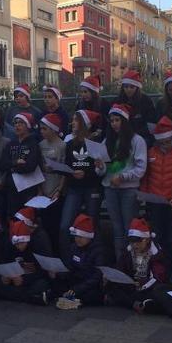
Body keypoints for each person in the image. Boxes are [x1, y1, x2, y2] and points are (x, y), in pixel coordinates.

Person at [101, 103, 148, 262]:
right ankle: (121, 263)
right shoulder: (107, 141)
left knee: (131, 228)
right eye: (112, 120)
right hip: (110, 188)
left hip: (128, 189)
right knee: (117, 229)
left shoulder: (137, 141)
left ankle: (135, 264)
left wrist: (122, 177)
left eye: (117, 120)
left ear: (125, 121)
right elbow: (102, 171)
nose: (114, 123)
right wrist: (99, 167)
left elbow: (141, 169)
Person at [140, 116, 172, 256]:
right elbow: (146, 177)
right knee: (156, 236)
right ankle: (158, 269)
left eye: (168, 142)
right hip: (155, 202)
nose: (166, 145)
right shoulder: (151, 152)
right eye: (162, 142)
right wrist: (145, 195)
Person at [59, 110, 104, 258]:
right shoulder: (70, 143)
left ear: (84, 124)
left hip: (92, 188)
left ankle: (95, 259)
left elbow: (100, 171)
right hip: (74, 188)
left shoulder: (96, 143)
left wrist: (91, 171)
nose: (72, 123)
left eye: (76, 120)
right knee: (65, 225)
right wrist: (71, 172)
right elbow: (66, 166)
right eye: (72, 120)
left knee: (92, 225)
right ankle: (67, 260)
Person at [103, 218, 169, 314]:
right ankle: (135, 304)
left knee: (158, 293)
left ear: (146, 239)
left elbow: (158, 277)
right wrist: (111, 276)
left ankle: (132, 303)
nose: (134, 245)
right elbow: (120, 267)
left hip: (148, 287)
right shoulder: (128, 252)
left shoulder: (156, 254)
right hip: (132, 285)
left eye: (138, 241)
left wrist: (142, 284)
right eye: (132, 241)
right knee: (112, 286)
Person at [0, 220, 52, 305]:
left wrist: (24, 280)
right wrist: (4, 277)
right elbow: (4, 263)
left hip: (29, 279)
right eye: (17, 244)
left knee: (41, 284)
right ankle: (32, 298)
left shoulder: (36, 245)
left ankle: (1, 294)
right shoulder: (9, 246)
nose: (19, 246)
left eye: (22, 243)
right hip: (13, 280)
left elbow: (42, 271)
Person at [53, 214, 106, 310]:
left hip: (89, 284)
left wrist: (77, 289)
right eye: (76, 236)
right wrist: (58, 273)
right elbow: (69, 266)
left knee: (92, 295)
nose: (78, 239)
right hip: (76, 280)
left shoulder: (98, 251)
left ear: (89, 237)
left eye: (81, 237)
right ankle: (70, 297)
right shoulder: (73, 247)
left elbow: (97, 276)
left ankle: (75, 299)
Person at [0, 112, 44, 218]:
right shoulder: (11, 144)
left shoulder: (33, 143)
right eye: (15, 123)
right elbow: (1, 165)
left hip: (28, 189)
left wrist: (11, 167)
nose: (17, 125)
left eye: (21, 123)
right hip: (11, 189)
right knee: (12, 218)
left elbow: (30, 166)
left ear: (27, 126)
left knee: (27, 218)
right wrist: (15, 163)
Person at [38, 113, 66, 252]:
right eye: (41, 129)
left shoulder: (62, 145)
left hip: (56, 187)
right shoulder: (41, 145)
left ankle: (57, 252)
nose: (42, 132)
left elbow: (64, 171)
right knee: (45, 224)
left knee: (55, 225)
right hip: (44, 186)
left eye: (45, 129)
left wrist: (59, 190)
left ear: (53, 129)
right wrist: (39, 189)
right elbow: (38, 168)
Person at [112, 70, 156, 146]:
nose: (128, 89)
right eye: (126, 87)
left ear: (137, 87)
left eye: (132, 87)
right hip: (122, 135)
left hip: (142, 136)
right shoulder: (117, 101)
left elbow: (151, 124)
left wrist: (135, 135)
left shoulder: (146, 101)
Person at [74, 75, 109, 141]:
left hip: (100, 137)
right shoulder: (80, 105)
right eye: (82, 92)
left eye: (85, 92)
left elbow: (107, 123)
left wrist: (99, 132)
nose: (83, 94)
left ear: (93, 92)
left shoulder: (103, 104)